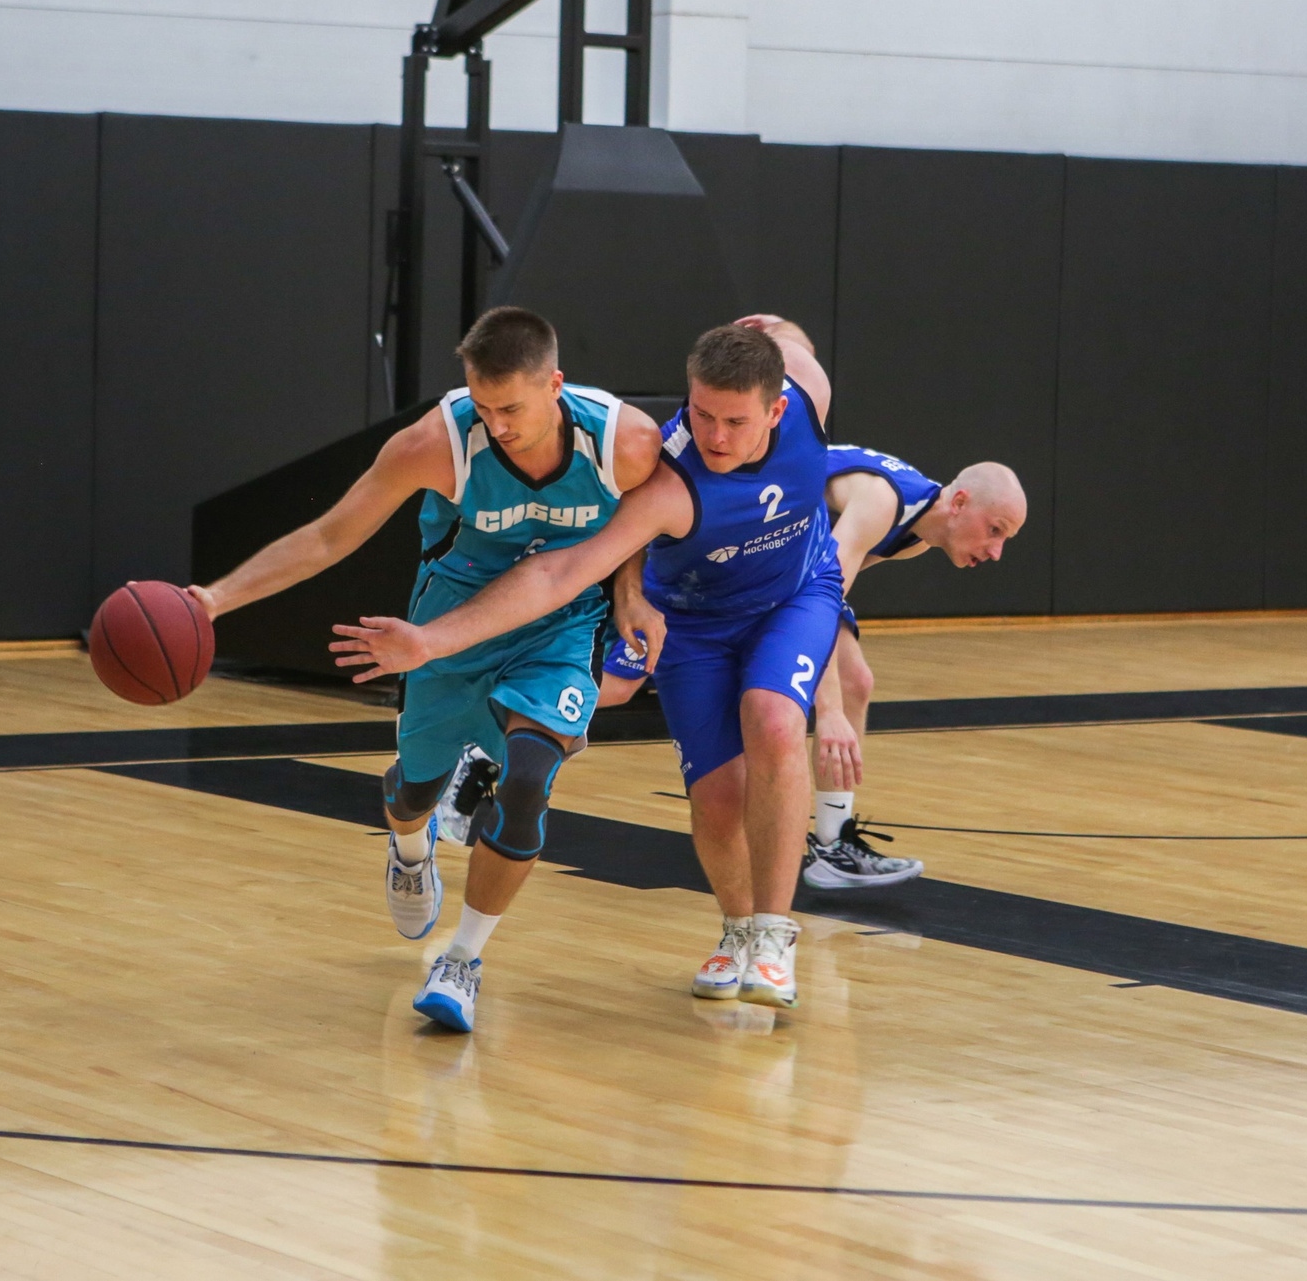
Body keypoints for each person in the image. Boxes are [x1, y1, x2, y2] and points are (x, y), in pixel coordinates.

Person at [334, 318, 853, 1010]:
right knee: (718, 797)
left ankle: (772, 934)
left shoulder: (808, 396)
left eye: (735, 420)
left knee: (772, 718)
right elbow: (564, 572)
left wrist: (770, 326)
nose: (715, 436)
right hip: (692, 617)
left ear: (777, 407)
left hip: (794, 595)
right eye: (701, 414)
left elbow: (792, 343)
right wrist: (438, 639)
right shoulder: (668, 477)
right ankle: (734, 927)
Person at [187, 306, 663, 1033]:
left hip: (562, 625)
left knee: (531, 775)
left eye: (512, 408)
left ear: (556, 385)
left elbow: (644, 517)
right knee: (416, 788)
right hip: (447, 622)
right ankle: (409, 847)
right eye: (483, 405)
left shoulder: (625, 442)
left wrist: (628, 591)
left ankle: (463, 958)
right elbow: (326, 536)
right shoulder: (434, 445)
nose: (497, 425)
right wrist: (212, 600)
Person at [596, 437, 1027, 890]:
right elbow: (817, 600)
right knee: (623, 683)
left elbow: (824, 588)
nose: (996, 551)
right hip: (726, 539)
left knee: (855, 680)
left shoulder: (916, 535)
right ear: (959, 502)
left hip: (780, 558)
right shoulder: (883, 503)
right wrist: (830, 710)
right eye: (995, 530)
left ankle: (832, 843)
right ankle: (533, 721)